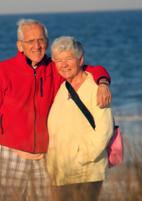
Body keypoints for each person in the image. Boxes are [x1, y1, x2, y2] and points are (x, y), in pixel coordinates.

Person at [0, 19, 111, 201]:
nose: (37, 46)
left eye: (41, 40)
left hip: (44, 159)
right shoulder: (3, 70)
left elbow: (87, 69)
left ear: (47, 43)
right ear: (20, 46)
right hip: (8, 155)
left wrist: (103, 81)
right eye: (30, 41)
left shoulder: (55, 68)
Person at [46, 36, 114, 201]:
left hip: (85, 172)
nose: (64, 65)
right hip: (60, 174)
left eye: (69, 59)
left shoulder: (95, 88)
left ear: (80, 59)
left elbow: (105, 130)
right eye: (59, 60)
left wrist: (82, 158)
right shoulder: (62, 88)